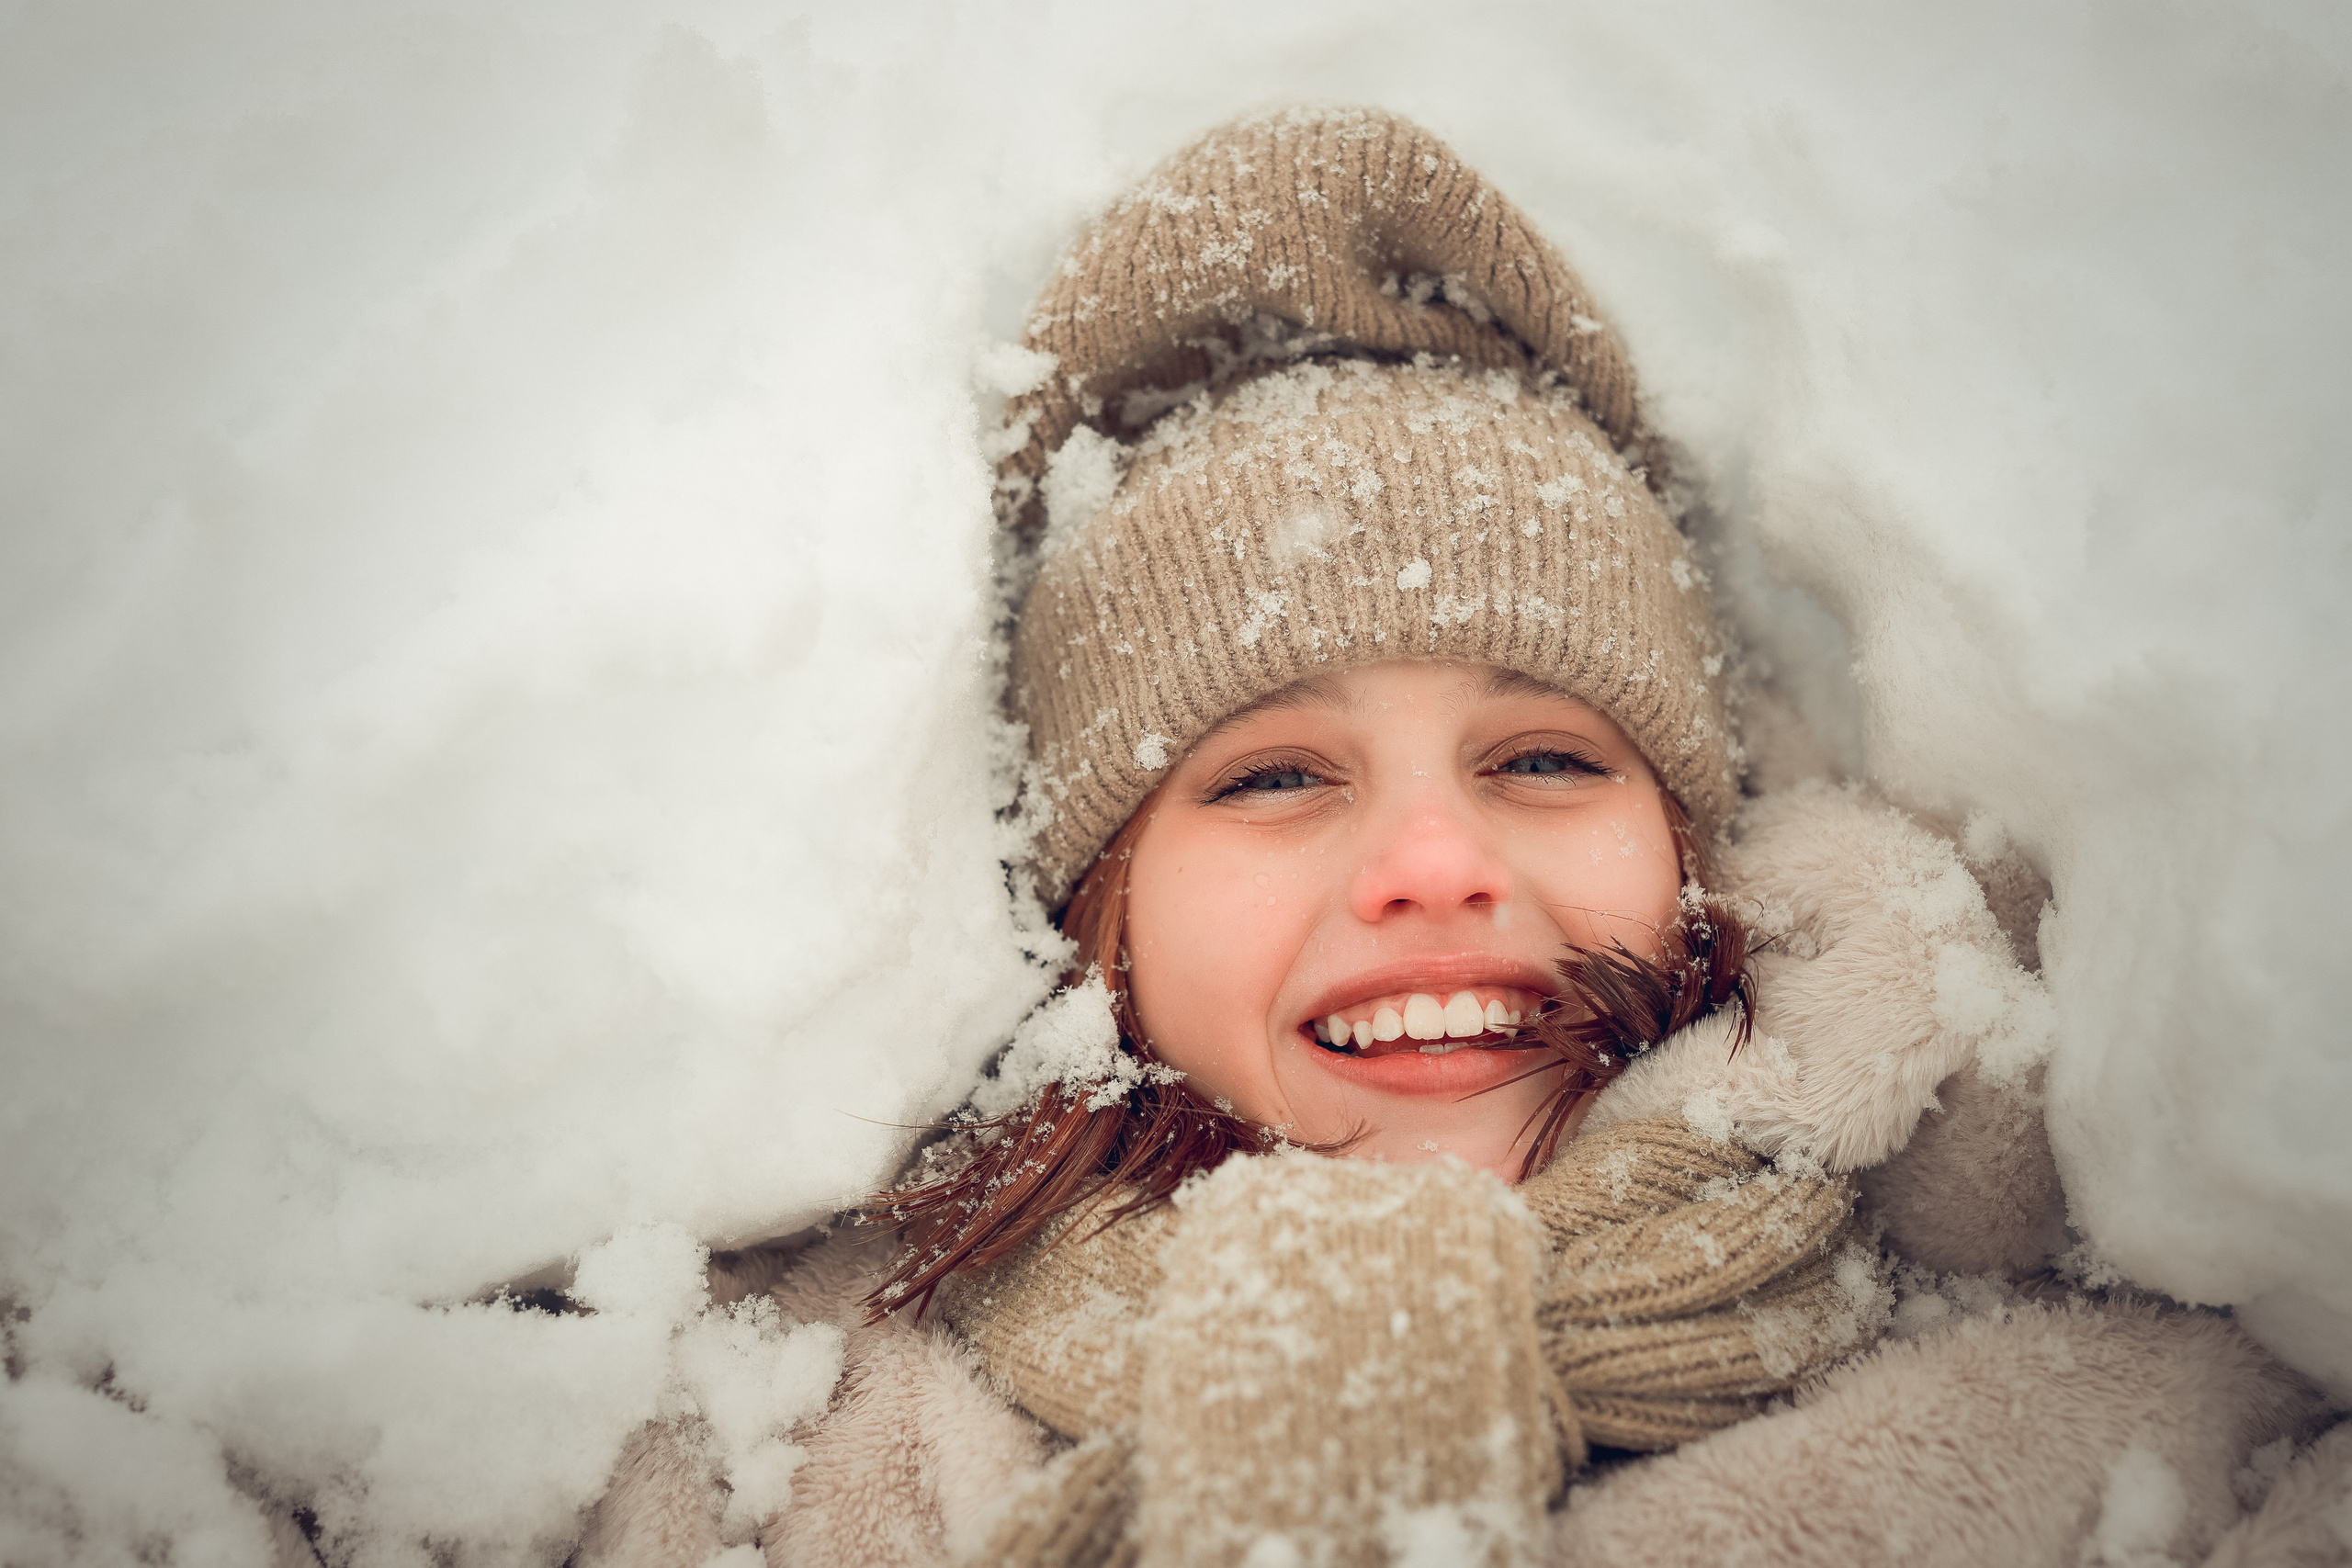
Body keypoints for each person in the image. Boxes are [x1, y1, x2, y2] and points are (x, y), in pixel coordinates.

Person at [577, 107, 2338, 1568]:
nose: (1434, 860)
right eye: (1271, 777)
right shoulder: (786, 1442)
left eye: (1547, 761)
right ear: (1093, 904)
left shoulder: (2135, 1419)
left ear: (1693, 850)